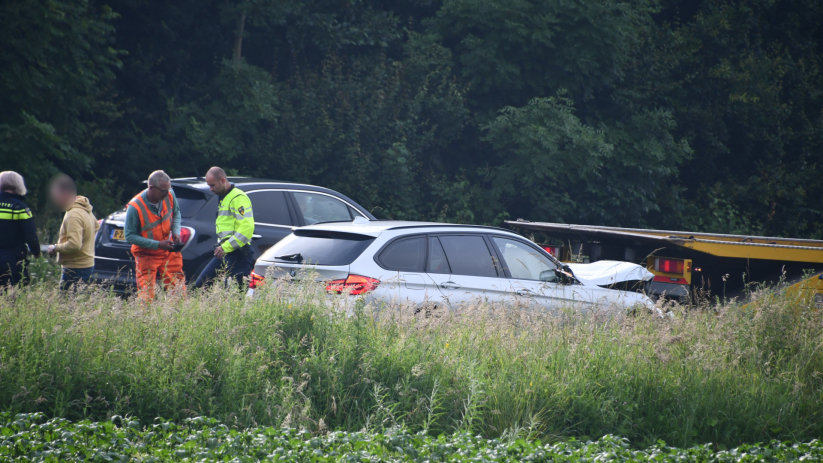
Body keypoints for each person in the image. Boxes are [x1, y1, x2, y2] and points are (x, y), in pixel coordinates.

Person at [124, 170, 185, 302]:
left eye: (169, 189)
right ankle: (146, 321)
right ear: (151, 188)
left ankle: (180, 319)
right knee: (147, 296)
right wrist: (157, 245)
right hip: (146, 255)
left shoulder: (169, 194)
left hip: (169, 251)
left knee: (178, 291)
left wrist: (175, 232)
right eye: (163, 191)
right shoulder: (135, 207)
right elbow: (129, 236)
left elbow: (176, 212)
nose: (167, 193)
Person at [193, 167, 255, 289]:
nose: (211, 189)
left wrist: (226, 247)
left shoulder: (237, 197)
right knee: (201, 286)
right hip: (226, 251)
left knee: (237, 295)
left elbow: (247, 227)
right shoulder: (225, 197)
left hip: (238, 253)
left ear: (222, 180)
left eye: (212, 185)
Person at [47, 174, 99, 290]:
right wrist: (87, 243)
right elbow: (96, 226)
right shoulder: (84, 207)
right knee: (75, 303)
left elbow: (74, 245)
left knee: (65, 304)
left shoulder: (73, 214)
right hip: (86, 264)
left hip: (75, 267)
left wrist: (55, 248)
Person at [0, 171, 41, 286]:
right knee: (13, 294)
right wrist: (36, 252)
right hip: (12, 258)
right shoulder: (19, 207)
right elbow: (30, 234)